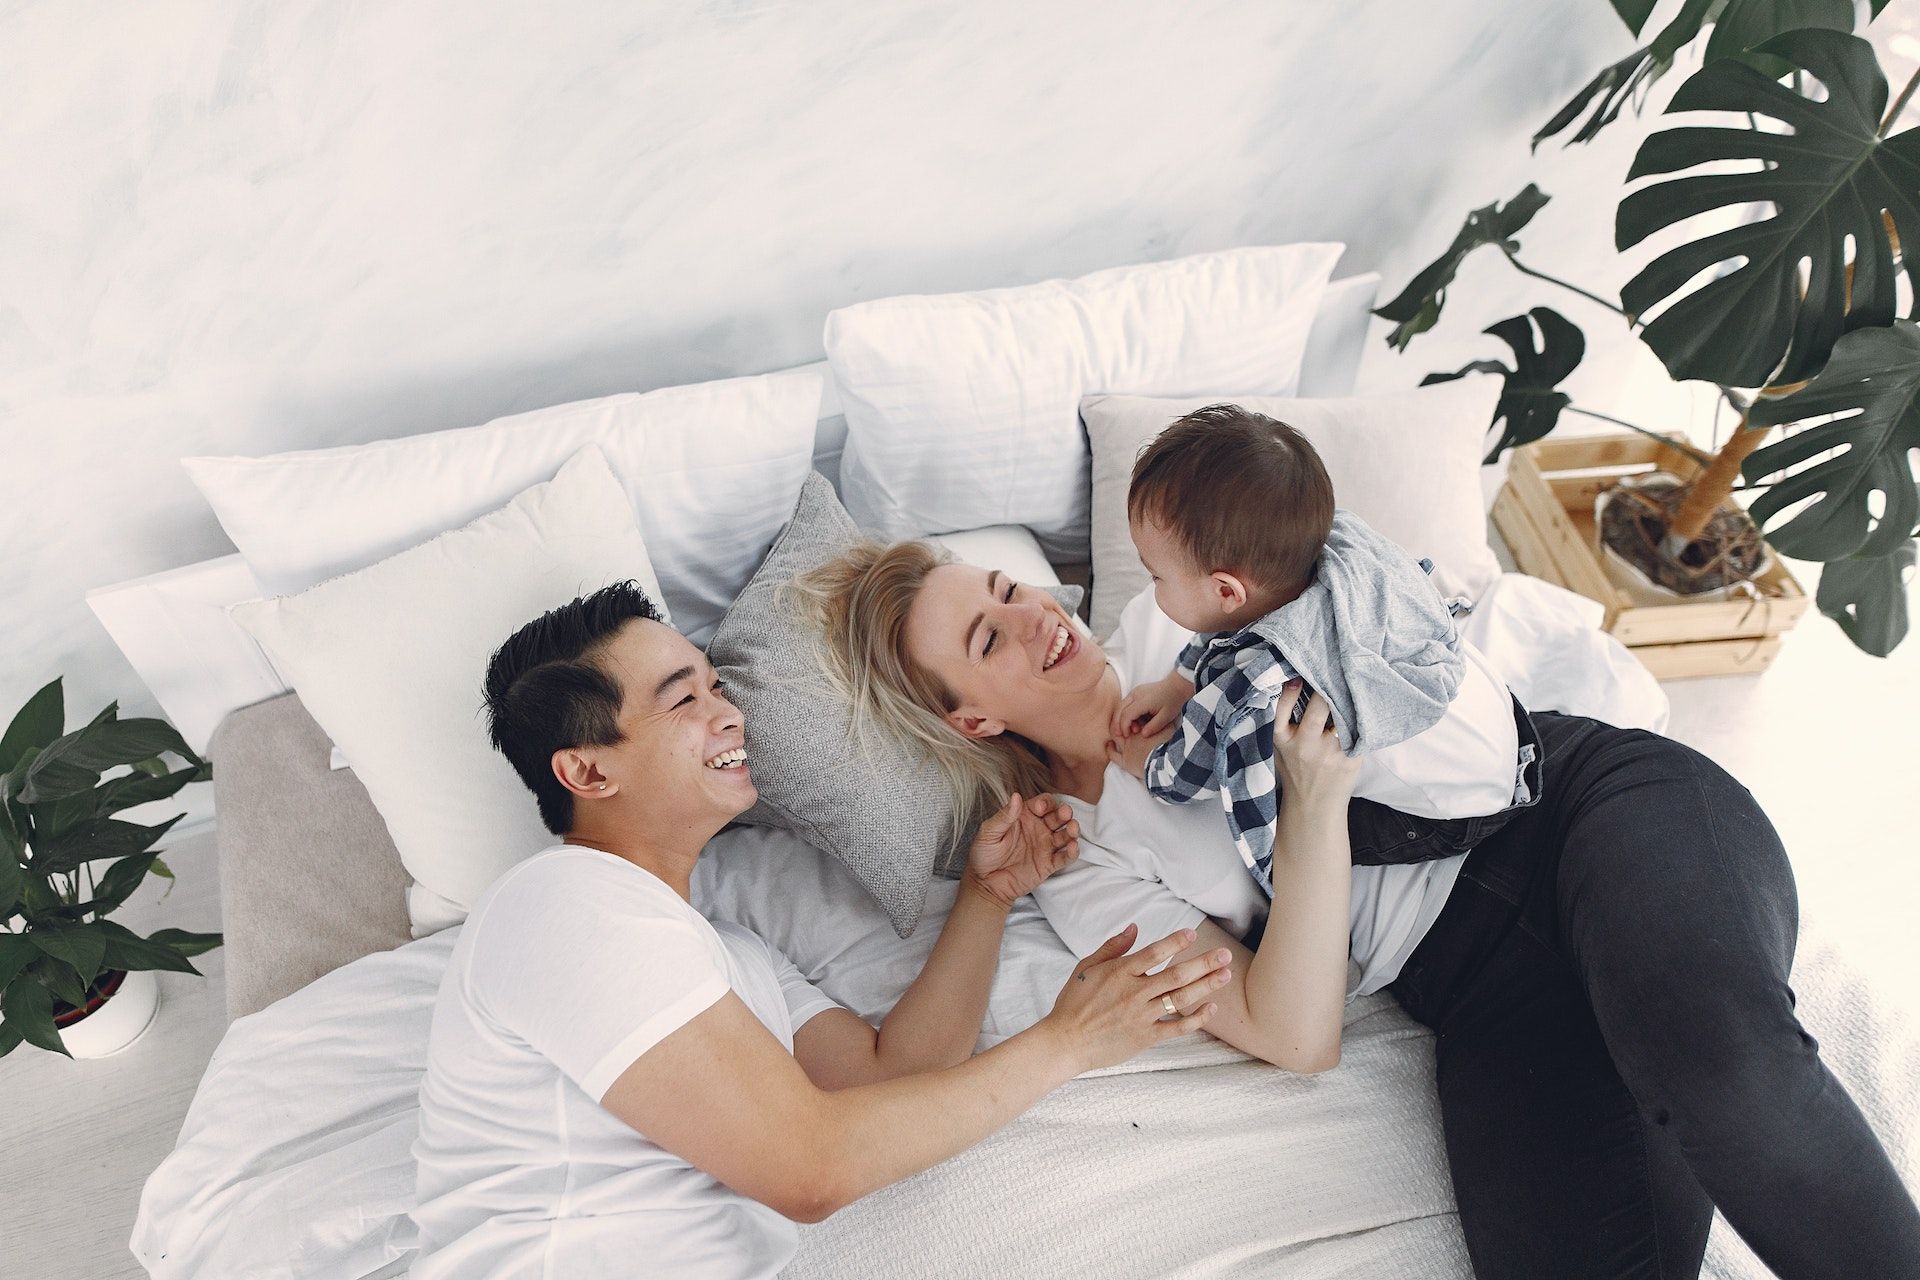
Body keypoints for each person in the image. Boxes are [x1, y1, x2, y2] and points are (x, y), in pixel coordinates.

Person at [795, 542, 1920, 1280]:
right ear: (975, 720)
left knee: (1717, 1066)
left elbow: (1371, 578)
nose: (1033, 615)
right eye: (988, 640)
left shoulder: (1174, 614)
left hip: (1578, 810)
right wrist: (1312, 805)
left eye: (1006, 590)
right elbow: (1297, 1031)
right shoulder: (1080, 863)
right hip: (1483, 991)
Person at [408, 580, 1231, 1279]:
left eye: (716, 687)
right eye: (683, 699)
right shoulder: (558, 903)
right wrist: (1069, 1043)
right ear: (587, 770)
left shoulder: (727, 953)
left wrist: (986, 897)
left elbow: (894, 1085)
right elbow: (812, 1169)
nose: (727, 714)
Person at [1107, 403, 1540, 887]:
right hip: (1510, 724)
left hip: (1465, 808)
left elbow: (1190, 773)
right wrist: (1178, 681)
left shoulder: (1254, 679)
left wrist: (1144, 763)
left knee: (1301, 826)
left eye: (1156, 576)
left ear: (1228, 590)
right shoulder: (1336, 544)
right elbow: (1227, 626)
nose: (1152, 588)